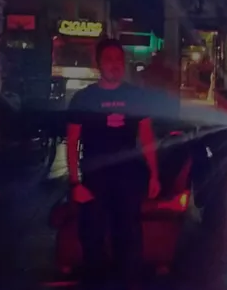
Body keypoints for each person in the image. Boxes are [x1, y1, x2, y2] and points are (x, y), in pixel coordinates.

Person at [66, 38, 161, 290]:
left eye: (119, 59)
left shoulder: (135, 96)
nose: (115, 64)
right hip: (94, 178)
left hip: (128, 177)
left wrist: (154, 174)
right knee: (92, 240)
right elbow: (72, 141)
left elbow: (146, 136)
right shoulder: (84, 98)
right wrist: (74, 183)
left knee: (129, 239)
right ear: (98, 63)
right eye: (108, 59)